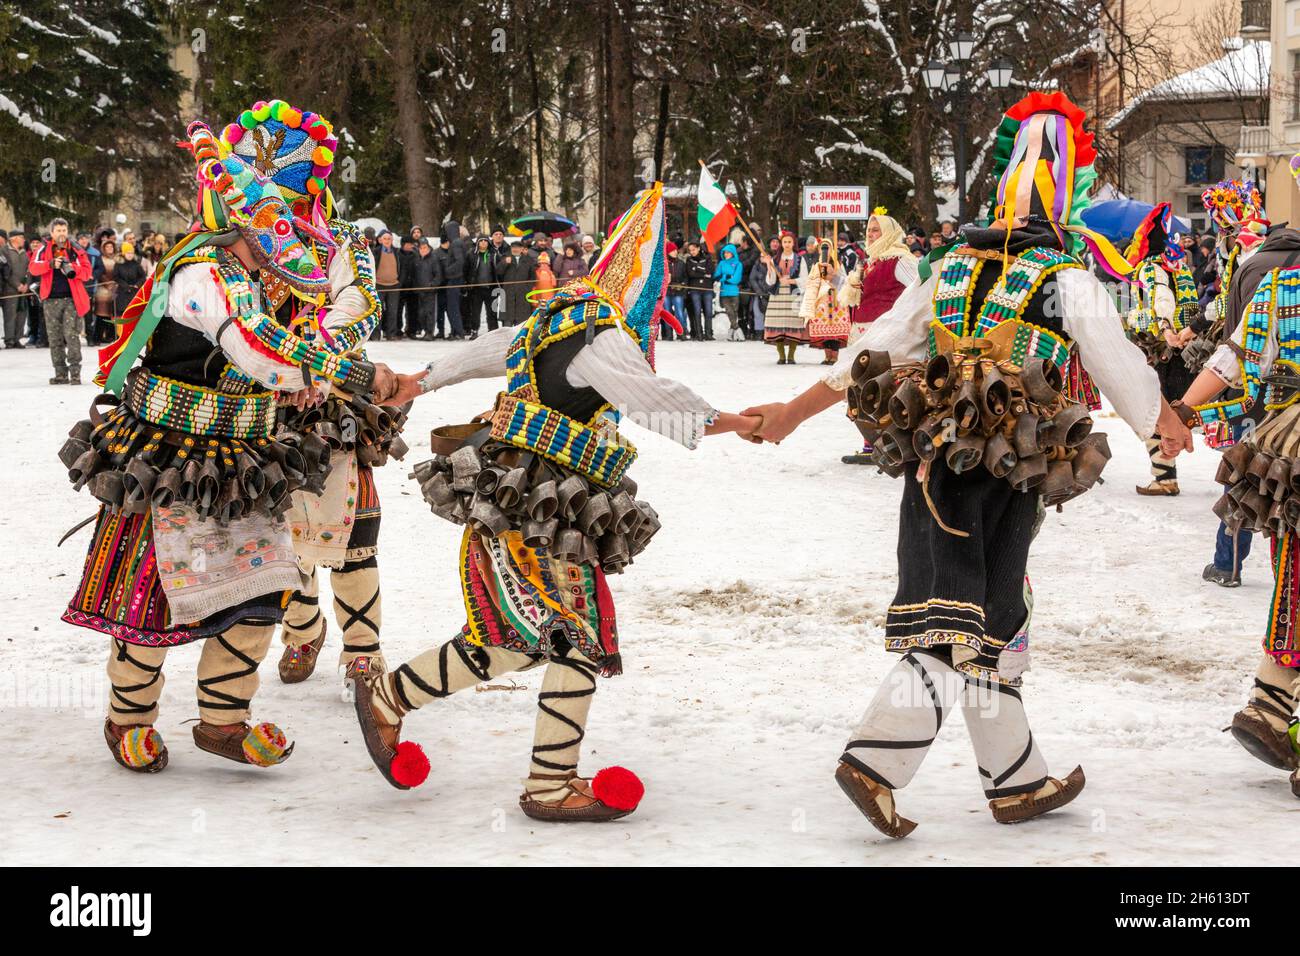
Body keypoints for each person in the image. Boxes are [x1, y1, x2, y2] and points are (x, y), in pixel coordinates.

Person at [741, 91, 1191, 838]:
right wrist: (1161, 424)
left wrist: (791, 413)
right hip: (1009, 472)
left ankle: (1015, 780)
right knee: (963, 623)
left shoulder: (948, 272)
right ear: (1072, 187)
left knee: (985, 619)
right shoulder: (1065, 277)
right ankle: (875, 762)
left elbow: (871, 351)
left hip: (936, 462)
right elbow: (1115, 361)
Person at [350, 183, 762, 818]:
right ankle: (549, 784)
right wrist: (743, 423)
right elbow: (657, 400)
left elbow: (483, 352)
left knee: (510, 640)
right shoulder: (603, 337)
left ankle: (389, 697)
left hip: (511, 498)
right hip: (538, 509)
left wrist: (416, 382)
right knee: (575, 634)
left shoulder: (549, 321)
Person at [60, 113, 395, 773]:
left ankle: (224, 717)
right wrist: (354, 374)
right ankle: (128, 715)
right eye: (269, 226)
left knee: (263, 588)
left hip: (247, 449)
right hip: (168, 456)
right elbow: (259, 349)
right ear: (235, 222)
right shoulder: (203, 274)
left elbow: (313, 328)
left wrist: (302, 380)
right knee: (149, 598)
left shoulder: (305, 248)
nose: (282, 242)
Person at [204, 101, 400, 691]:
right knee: (278, 525)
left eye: (284, 202)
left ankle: (363, 648)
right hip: (261, 401)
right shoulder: (236, 243)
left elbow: (360, 300)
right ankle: (302, 628)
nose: (275, 213)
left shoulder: (338, 237)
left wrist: (316, 346)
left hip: (333, 397)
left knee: (350, 532)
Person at [1173, 150, 1300, 801]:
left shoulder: (1273, 284)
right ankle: (1272, 705)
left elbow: (1230, 356)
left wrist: (1182, 411)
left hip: (1282, 451)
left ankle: (1271, 701)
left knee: (1294, 575)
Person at [1119, 204, 1203, 497]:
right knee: (1165, 412)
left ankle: (1165, 478)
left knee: (1157, 411)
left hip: (1160, 349)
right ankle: (1165, 476)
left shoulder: (1150, 269)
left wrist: (1166, 329)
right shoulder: (1174, 266)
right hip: (1179, 348)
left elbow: (1161, 300)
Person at [837, 210, 919, 463]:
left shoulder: (900, 259)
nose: (871, 235)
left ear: (890, 233)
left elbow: (920, 288)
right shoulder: (870, 262)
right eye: (869, 230)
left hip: (885, 334)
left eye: (876, 230)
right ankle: (872, 443)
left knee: (883, 388)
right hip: (862, 333)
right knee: (862, 388)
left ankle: (893, 444)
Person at [28, 217, 92, 384]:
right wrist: (50, 264)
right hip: (50, 300)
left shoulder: (75, 249)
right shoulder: (43, 248)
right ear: (52, 232)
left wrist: (70, 267)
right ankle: (60, 374)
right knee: (54, 337)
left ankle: (75, 373)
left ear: (67, 231)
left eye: (64, 230)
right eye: (58, 230)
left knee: (71, 335)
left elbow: (86, 272)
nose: (62, 234)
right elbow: (33, 267)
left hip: (72, 299)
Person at [756, 230, 807, 363]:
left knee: (794, 324)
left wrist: (790, 281)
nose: (787, 244)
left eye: (789, 242)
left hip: (793, 295)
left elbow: (805, 279)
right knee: (776, 324)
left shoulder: (800, 259)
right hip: (778, 296)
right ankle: (781, 356)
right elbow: (770, 281)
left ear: (793, 243)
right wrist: (768, 264)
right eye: (785, 242)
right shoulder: (775, 259)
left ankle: (791, 355)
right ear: (781, 243)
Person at [497, 237, 536, 326]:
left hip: (523, 294)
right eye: (513, 247)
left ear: (522, 249)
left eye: (518, 247)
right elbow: (498, 273)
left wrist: (527, 288)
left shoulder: (528, 260)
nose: (515, 249)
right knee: (507, 321)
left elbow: (532, 277)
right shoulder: (505, 257)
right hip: (508, 292)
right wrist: (504, 263)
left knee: (522, 322)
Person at [1, 229, 29, 349]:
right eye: (21, 237)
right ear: (13, 239)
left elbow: (30, 270)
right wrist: (17, 285)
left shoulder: (24, 252)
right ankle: (9, 340)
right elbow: (7, 272)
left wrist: (27, 284)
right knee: (10, 315)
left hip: (23, 289)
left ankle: (18, 338)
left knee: (21, 314)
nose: (23, 240)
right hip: (10, 288)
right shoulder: (4, 251)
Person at [713, 242, 745, 341]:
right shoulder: (721, 263)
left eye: (728, 252)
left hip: (734, 292)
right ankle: (739, 331)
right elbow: (716, 276)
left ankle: (730, 334)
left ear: (733, 253)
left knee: (734, 313)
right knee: (729, 312)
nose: (726, 254)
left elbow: (737, 278)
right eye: (725, 253)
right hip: (724, 292)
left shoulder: (738, 264)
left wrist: (726, 278)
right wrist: (726, 277)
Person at [683, 241, 714, 340]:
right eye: (690, 250)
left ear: (698, 248)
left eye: (693, 250)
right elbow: (690, 273)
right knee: (697, 311)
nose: (692, 252)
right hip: (695, 288)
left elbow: (710, 271)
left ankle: (709, 333)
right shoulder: (689, 259)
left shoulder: (707, 258)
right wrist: (703, 272)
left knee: (708, 311)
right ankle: (699, 334)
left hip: (707, 288)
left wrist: (697, 269)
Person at [412, 237, 441, 339]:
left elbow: (438, 275)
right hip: (419, 291)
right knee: (421, 313)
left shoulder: (433, 258)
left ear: (428, 247)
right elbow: (414, 275)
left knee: (429, 312)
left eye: (425, 247)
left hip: (430, 291)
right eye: (421, 248)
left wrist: (432, 285)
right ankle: (425, 330)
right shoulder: (417, 259)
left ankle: (430, 332)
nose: (423, 250)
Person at [374, 230, 401, 339]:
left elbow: (401, 267)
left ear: (392, 240)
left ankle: (391, 334)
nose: (387, 241)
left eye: (389, 239)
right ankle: (375, 335)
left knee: (392, 312)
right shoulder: (375, 252)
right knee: (377, 312)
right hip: (379, 285)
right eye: (385, 239)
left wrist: (400, 281)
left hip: (394, 285)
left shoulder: (397, 252)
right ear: (380, 240)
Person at [91, 238, 119, 345]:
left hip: (116, 289)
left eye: (111, 247)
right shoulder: (101, 259)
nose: (109, 249)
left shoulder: (117, 259)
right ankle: (97, 336)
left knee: (113, 313)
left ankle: (110, 335)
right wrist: (108, 284)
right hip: (103, 289)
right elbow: (100, 273)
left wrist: (116, 284)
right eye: (107, 247)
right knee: (102, 313)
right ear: (103, 248)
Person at [664, 240, 689, 339]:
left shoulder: (681, 263)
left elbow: (685, 277)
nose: (675, 252)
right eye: (672, 250)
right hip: (667, 292)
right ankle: (669, 334)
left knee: (679, 312)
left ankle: (681, 333)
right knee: (667, 313)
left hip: (678, 292)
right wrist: (666, 281)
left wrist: (682, 285)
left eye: (675, 250)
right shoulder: (664, 264)